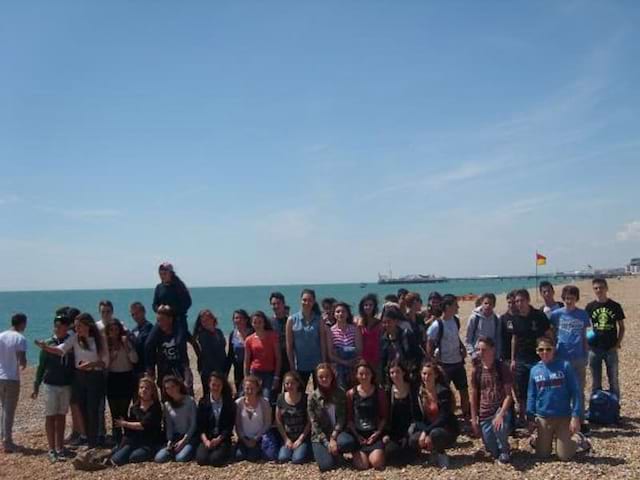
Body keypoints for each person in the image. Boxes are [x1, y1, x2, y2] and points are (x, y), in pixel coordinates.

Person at [35, 313, 108, 449]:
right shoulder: (75, 338)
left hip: (94, 377)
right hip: (80, 377)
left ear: (87, 325)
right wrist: (45, 347)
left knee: (93, 409)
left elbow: (105, 362)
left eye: (79, 326)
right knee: (82, 409)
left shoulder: (99, 339)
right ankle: (89, 440)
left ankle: (94, 441)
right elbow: (61, 350)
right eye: (75, 327)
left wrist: (91, 365)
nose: (77, 329)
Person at [526, 337, 590, 460]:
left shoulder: (564, 366)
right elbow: (531, 395)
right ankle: (537, 438)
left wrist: (575, 416)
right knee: (543, 455)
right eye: (541, 349)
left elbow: (575, 392)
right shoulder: (534, 370)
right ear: (537, 351)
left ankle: (578, 439)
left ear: (554, 349)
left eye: (548, 349)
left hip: (563, 417)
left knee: (564, 456)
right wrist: (530, 418)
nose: (545, 352)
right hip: (543, 417)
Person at [32, 312, 75, 462]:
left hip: (66, 384)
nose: (57, 328)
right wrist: (36, 385)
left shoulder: (71, 343)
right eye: (55, 326)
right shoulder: (48, 343)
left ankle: (60, 447)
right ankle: (51, 449)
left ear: (66, 327)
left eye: (60, 326)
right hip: (50, 384)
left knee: (61, 416)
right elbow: (41, 366)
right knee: (50, 416)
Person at [550, 285, 590, 430]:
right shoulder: (556, 314)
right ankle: (565, 418)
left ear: (576, 299)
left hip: (578, 357)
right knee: (563, 389)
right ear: (563, 299)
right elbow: (552, 335)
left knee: (579, 389)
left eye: (572, 299)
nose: (569, 301)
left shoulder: (583, 314)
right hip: (562, 358)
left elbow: (584, 337)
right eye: (566, 298)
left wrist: (586, 355)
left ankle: (581, 420)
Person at [510, 289, 551, 426]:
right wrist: (513, 359)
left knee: (540, 387)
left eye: (521, 300)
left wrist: (550, 353)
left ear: (528, 300)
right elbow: (514, 339)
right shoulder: (515, 318)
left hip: (537, 359)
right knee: (521, 390)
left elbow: (549, 334)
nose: (519, 304)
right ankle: (523, 416)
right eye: (517, 301)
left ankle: (541, 414)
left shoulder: (539, 316)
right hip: (521, 359)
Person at [469, 337, 513, 463]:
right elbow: (474, 395)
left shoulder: (502, 367)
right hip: (484, 412)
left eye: (484, 350)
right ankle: (496, 447)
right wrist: (473, 418)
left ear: (492, 350)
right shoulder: (476, 370)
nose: (480, 353)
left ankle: (505, 449)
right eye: (478, 350)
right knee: (492, 451)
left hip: (499, 409)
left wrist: (501, 413)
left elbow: (509, 395)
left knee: (500, 426)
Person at [426, 294, 469, 418]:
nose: (458, 307)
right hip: (444, 364)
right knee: (445, 392)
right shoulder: (437, 324)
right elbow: (429, 341)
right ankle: (447, 415)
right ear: (448, 306)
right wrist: (431, 361)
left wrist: (462, 347)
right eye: (456, 305)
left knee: (464, 389)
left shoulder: (455, 320)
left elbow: (455, 336)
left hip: (458, 361)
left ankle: (466, 414)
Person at [308, 363, 357, 472]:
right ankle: (332, 453)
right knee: (326, 466)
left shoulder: (340, 393)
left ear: (332, 376)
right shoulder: (312, 397)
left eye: (327, 376)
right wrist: (327, 442)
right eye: (321, 377)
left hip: (337, 432)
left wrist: (334, 437)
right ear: (316, 378)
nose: (324, 379)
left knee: (347, 443)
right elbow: (314, 424)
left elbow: (341, 417)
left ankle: (335, 451)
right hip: (320, 436)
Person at [410, 361, 460, 469]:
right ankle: (428, 454)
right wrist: (424, 431)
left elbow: (444, 418)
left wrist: (426, 432)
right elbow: (416, 418)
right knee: (413, 439)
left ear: (436, 375)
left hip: (445, 428)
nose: (426, 377)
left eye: (429, 374)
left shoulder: (443, 391)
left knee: (435, 434)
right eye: (424, 373)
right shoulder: (418, 393)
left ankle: (441, 453)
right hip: (428, 427)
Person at [586, 278, 625, 400]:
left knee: (613, 380)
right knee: (596, 381)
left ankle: (614, 410)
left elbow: (622, 327)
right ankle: (596, 409)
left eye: (601, 287)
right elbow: (584, 326)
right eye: (596, 288)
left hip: (610, 349)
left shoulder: (615, 306)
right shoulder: (590, 306)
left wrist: (617, 343)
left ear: (606, 288)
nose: (599, 290)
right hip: (594, 348)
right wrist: (587, 342)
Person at [110, 376, 163, 465]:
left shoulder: (156, 407)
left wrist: (125, 423)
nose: (144, 390)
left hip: (149, 442)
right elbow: (130, 430)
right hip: (135, 441)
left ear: (152, 391)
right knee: (117, 459)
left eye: (147, 388)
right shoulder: (134, 408)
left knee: (134, 457)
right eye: (141, 387)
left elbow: (143, 425)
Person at [346, 361, 387, 470]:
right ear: (356, 375)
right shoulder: (351, 393)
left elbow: (384, 417)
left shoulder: (379, 392)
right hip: (358, 434)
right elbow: (349, 419)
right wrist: (356, 435)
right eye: (361, 374)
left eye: (367, 373)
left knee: (377, 463)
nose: (364, 376)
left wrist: (377, 433)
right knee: (362, 466)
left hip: (374, 433)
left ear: (372, 374)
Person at [106, 319, 139, 444]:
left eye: (116, 329)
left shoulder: (126, 342)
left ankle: (126, 436)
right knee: (114, 410)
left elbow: (134, 359)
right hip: (112, 377)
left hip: (126, 377)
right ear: (108, 332)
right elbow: (104, 365)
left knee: (124, 409)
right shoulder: (106, 345)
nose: (114, 332)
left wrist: (126, 347)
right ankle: (116, 437)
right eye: (111, 330)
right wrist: (111, 358)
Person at [286, 289, 327, 389]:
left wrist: (324, 363)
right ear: (300, 300)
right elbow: (289, 345)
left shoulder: (319, 320)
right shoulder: (292, 319)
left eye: (310, 300)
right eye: (304, 300)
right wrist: (292, 365)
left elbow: (322, 342)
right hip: (300, 365)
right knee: (299, 393)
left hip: (317, 364)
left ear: (313, 302)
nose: (307, 303)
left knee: (320, 393)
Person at [144, 305, 190, 393]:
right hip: (164, 370)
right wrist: (150, 369)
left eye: (162, 320)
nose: (160, 323)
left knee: (183, 394)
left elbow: (193, 342)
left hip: (178, 369)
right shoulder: (157, 334)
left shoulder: (179, 331)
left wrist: (188, 367)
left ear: (170, 319)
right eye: (158, 321)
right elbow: (148, 347)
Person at [0, 313, 27, 453]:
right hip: (11, 377)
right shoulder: (20, 338)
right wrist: (24, 364)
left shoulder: (1, 335)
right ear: (22, 323)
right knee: (9, 410)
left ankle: (3, 437)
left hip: (0, 376)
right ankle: (7, 442)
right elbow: (21, 359)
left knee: (3, 408)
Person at [195, 372, 236, 467]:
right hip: (207, 437)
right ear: (209, 385)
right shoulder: (203, 402)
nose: (216, 388)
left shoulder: (228, 402)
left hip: (222, 438)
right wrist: (206, 441)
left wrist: (218, 439)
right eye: (213, 385)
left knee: (215, 460)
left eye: (219, 385)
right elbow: (200, 426)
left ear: (222, 386)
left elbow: (229, 426)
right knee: (202, 460)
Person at [383, 360, 419, 466]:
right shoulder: (388, 392)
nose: (395, 375)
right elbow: (385, 415)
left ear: (403, 372)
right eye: (392, 373)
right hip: (394, 431)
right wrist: (385, 433)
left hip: (411, 428)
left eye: (397, 372)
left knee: (410, 449)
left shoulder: (413, 389)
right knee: (392, 453)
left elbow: (418, 413)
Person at [154, 376, 197, 463]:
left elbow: (193, 424)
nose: (170, 390)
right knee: (159, 458)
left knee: (180, 459)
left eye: (173, 386)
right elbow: (169, 425)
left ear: (178, 386)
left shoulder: (190, 401)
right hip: (176, 437)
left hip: (189, 437)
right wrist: (169, 440)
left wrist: (184, 441)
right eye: (167, 388)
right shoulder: (167, 405)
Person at [234, 375, 276, 461]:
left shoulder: (264, 403)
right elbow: (237, 425)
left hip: (259, 437)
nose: (249, 391)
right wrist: (243, 439)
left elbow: (267, 423)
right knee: (239, 456)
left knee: (252, 457)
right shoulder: (238, 403)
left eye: (252, 388)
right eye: (247, 388)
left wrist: (256, 438)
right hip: (244, 438)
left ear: (257, 389)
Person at [244, 311, 281, 402]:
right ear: (252, 323)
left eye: (260, 322)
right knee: (252, 397)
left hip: (269, 373)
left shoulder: (272, 336)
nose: (257, 325)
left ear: (264, 322)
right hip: (255, 372)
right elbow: (247, 360)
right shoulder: (249, 339)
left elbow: (278, 357)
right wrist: (246, 377)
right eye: (255, 322)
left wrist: (276, 376)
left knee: (266, 398)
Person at [152, 262, 193, 344]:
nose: (162, 276)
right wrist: (158, 308)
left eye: (164, 273)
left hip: (178, 319)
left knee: (179, 343)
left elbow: (187, 303)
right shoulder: (159, 287)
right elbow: (154, 304)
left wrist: (171, 309)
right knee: (149, 343)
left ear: (171, 273)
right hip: (163, 320)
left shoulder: (179, 286)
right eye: (160, 274)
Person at [275, 371, 310, 464]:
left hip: (302, 437)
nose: (289, 386)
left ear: (298, 384)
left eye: (292, 383)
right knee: (283, 458)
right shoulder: (280, 398)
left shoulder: (305, 398)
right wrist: (286, 439)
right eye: (287, 383)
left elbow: (309, 422)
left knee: (297, 460)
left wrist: (300, 439)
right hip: (288, 437)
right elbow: (278, 420)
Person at [193, 309, 227, 399]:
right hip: (208, 369)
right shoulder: (202, 335)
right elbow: (207, 355)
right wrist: (217, 371)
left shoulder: (218, 332)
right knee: (209, 394)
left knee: (222, 393)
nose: (206, 322)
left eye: (208, 319)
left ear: (213, 319)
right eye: (203, 321)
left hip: (222, 366)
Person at [327, 302, 362, 389]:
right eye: (338, 312)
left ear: (347, 314)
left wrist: (350, 359)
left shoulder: (355, 329)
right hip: (339, 365)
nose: (340, 314)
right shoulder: (331, 331)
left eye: (343, 311)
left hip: (353, 364)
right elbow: (330, 354)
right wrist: (344, 362)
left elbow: (359, 349)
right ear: (334, 314)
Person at [379, 306, 412, 387]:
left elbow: (415, 354)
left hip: (407, 375)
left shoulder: (406, 335)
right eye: (384, 322)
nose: (386, 325)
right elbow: (383, 361)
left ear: (396, 321)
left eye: (389, 322)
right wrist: (382, 379)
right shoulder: (383, 339)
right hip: (391, 377)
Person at [465, 293, 502, 361]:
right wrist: (473, 354)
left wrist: (497, 356)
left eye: (490, 304)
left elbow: (498, 339)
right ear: (481, 303)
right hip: (477, 355)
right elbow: (468, 339)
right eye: (486, 303)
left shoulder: (497, 319)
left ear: (494, 305)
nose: (488, 306)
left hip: (491, 356)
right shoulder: (474, 318)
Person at [226, 309, 253, 395]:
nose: (238, 320)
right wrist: (226, 372)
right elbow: (230, 354)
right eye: (236, 318)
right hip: (238, 368)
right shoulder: (232, 334)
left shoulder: (252, 332)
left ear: (246, 320)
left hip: (252, 367)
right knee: (240, 392)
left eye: (241, 318)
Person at [357, 294, 382, 378]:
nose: (368, 307)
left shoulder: (379, 323)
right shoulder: (358, 323)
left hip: (377, 358)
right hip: (363, 359)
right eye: (365, 305)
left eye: (371, 305)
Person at [129, 302, 153, 379]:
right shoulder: (134, 330)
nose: (135, 316)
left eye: (137, 313)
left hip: (146, 368)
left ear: (143, 312)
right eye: (133, 314)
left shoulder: (150, 328)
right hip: (135, 368)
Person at [270, 292, 290, 377]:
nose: (276, 306)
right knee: (275, 389)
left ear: (283, 304)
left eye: (278, 303)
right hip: (273, 362)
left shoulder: (291, 321)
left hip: (289, 361)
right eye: (273, 304)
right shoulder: (268, 323)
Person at [499, 290, 518, 362]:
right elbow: (500, 338)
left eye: (513, 303)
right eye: (509, 302)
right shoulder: (503, 318)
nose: (511, 305)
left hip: (520, 355)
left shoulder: (521, 316)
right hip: (506, 356)